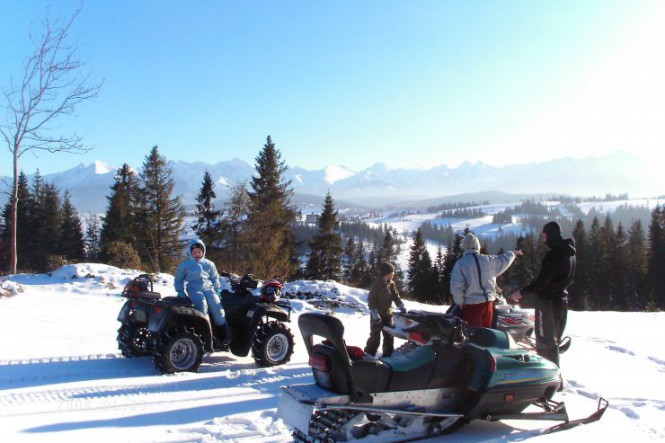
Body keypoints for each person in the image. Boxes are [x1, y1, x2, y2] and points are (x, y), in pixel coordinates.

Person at [509, 221, 576, 366]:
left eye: (544, 236)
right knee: (554, 342)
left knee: (545, 343)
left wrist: (521, 292)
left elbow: (542, 282)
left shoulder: (553, 255)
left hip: (547, 303)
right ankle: (555, 373)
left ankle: (547, 375)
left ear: (551, 235)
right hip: (561, 301)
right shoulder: (569, 253)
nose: (543, 239)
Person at [450, 232, 522, 328]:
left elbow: (457, 287)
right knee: (486, 332)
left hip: (472, 305)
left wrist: (460, 302)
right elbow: (502, 260)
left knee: (474, 333)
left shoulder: (460, 264)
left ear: (464, 246)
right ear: (477, 245)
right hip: (488, 304)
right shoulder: (488, 260)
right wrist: (512, 254)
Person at [174, 239, 227, 336]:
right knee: (202, 306)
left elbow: (215, 277)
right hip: (193, 288)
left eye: (199, 252)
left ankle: (222, 332)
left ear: (203, 251)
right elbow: (178, 278)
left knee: (217, 306)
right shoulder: (185, 265)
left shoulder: (209, 264)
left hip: (208, 287)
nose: (197, 254)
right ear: (190, 252)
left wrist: (216, 289)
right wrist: (180, 290)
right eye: (194, 252)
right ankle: (205, 333)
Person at [364, 262, 406, 358]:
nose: (393, 274)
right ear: (386, 273)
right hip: (377, 316)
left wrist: (401, 305)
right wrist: (374, 313)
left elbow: (396, 296)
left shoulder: (391, 284)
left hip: (388, 315)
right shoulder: (377, 284)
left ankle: (387, 357)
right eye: (391, 272)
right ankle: (367, 357)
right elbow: (371, 300)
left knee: (389, 337)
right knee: (375, 338)